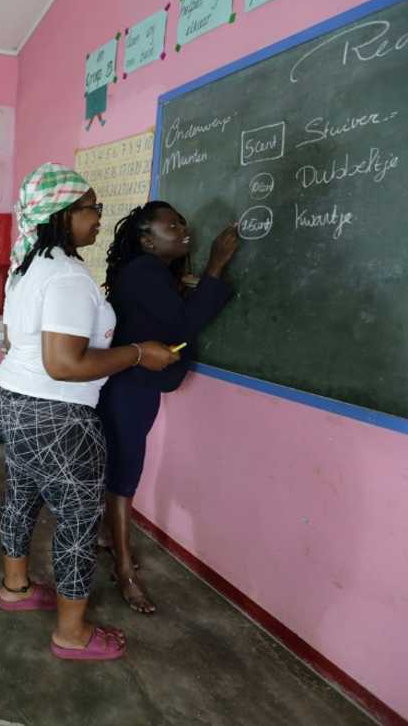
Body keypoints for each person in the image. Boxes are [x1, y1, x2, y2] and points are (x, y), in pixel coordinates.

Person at [0, 163, 179, 661]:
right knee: (76, 522)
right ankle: (71, 634)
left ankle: (16, 588)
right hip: (58, 416)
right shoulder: (68, 278)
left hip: (11, 401)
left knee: (22, 495)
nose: (99, 217)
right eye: (92, 208)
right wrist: (139, 353)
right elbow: (64, 364)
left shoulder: (27, 266)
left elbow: (14, 342)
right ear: (64, 213)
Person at [97, 201, 239, 614]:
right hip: (130, 389)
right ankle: (124, 571)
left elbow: (168, 313)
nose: (184, 232)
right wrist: (215, 265)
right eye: (172, 227)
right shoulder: (144, 272)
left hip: (132, 386)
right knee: (124, 479)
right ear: (146, 240)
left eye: (182, 224)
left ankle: (107, 536)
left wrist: (193, 281)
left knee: (120, 471)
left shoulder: (149, 273)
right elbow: (183, 323)